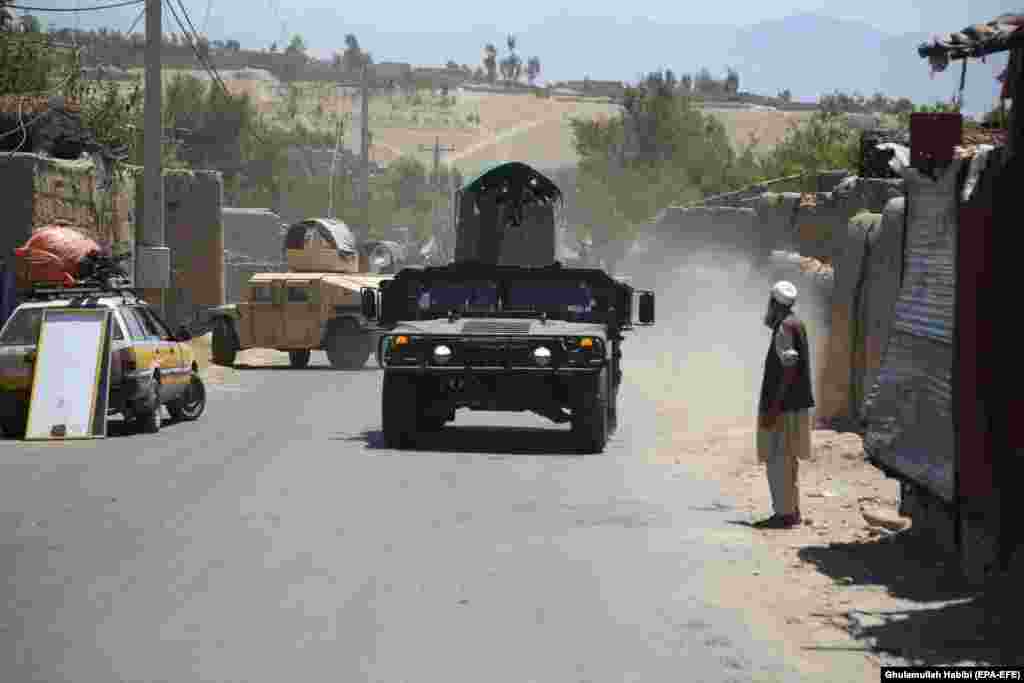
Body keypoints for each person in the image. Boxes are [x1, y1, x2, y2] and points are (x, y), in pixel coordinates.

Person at [756, 280, 814, 529]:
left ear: (774, 304)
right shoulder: (797, 323)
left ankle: (784, 515)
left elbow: (788, 367)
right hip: (796, 406)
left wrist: (774, 407)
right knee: (788, 460)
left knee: (778, 460)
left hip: (783, 408)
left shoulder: (784, 328)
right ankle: (792, 511)